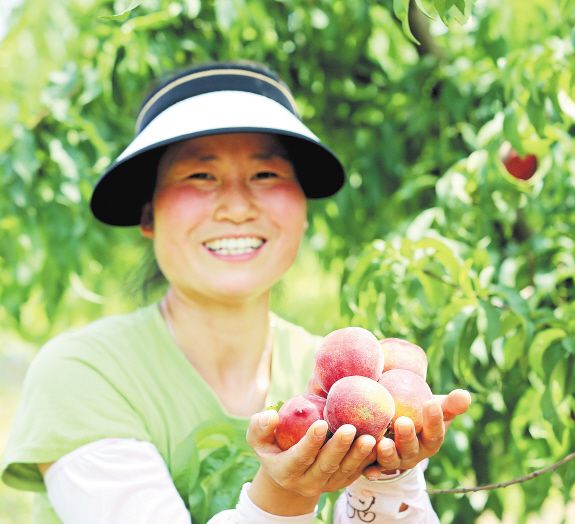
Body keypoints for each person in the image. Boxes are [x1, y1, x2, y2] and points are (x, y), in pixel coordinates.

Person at [0, 62, 471, 523]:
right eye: (199, 176)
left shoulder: (334, 376)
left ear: (303, 209)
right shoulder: (85, 375)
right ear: (149, 214)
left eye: (266, 175)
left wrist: (385, 479)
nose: (237, 205)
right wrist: (283, 496)